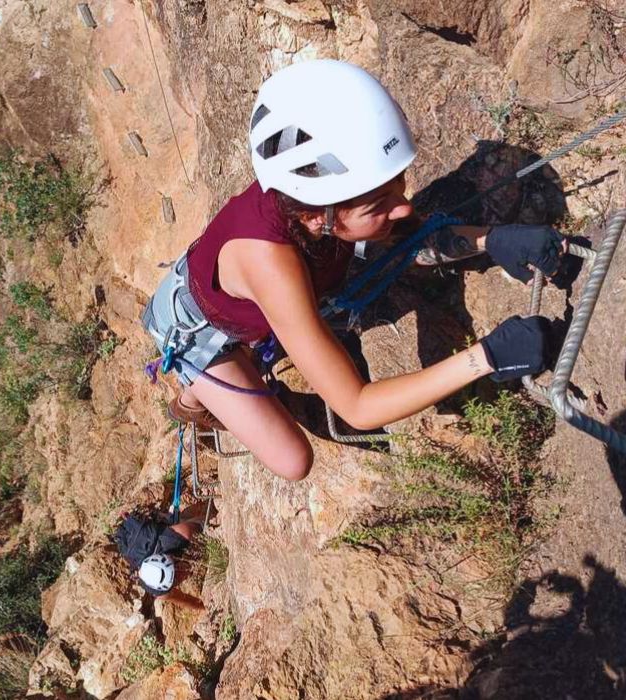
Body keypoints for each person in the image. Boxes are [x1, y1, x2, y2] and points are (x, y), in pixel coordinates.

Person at [142, 59, 564, 482]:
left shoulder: (323, 199)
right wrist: (486, 357)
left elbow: (409, 239)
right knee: (292, 461)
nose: (402, 206)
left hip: (251, 299)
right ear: (315, 218)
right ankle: (194, 399)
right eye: (377, 204)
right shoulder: (271, 263)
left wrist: (495, 240)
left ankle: (234, 365)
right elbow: (358, 406)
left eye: (398, 184)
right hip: (198, 331)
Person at [116, 507, 206, 611]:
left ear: (171, 559)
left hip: (154, 537)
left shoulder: (173, 538)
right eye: (175, 579)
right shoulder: (160, 591)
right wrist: (206, 608)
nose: (181, 574)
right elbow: (187, 601)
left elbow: (204, 524)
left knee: (190, 525)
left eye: (177, 571)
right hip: (141, 552)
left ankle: (166, 516)